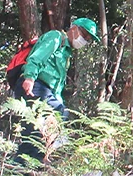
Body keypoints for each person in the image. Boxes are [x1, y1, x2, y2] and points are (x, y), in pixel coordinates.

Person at [12, 17, 100, 165]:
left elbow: (57, 84)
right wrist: (30, 78)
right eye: (84, 35)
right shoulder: (55, 37)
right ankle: (27, 164)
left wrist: (59, 102)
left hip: (46, 89)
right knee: (38, 125)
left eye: (88, 39)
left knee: (39, 125)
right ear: (73, 28)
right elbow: (37, 57)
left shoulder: (66, 54)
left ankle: (24, 163)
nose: (84, 40)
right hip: (35, 84)